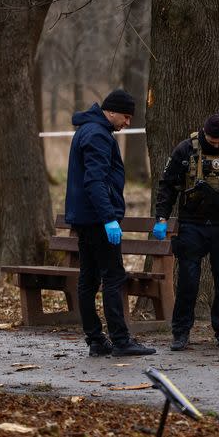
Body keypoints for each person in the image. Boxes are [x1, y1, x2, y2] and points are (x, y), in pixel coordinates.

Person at [152, 114, 219, 351]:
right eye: (212, 140)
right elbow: (167, 185)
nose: (216, 144)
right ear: (204, 133)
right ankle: (180, 332)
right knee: (188, 282)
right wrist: (161, 217)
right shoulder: (185, 150)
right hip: (192, 224)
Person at [64, 89, 156, 358]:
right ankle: (120, 340)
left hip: (86, 218)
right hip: (97, 219)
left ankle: (95, 339)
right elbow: (94, 181)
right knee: (113, 277)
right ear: (111, 111)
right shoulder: (97, 135)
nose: (127, 123)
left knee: (89, 279)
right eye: (125, 117)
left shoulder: (88, 130)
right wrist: (108, 219)